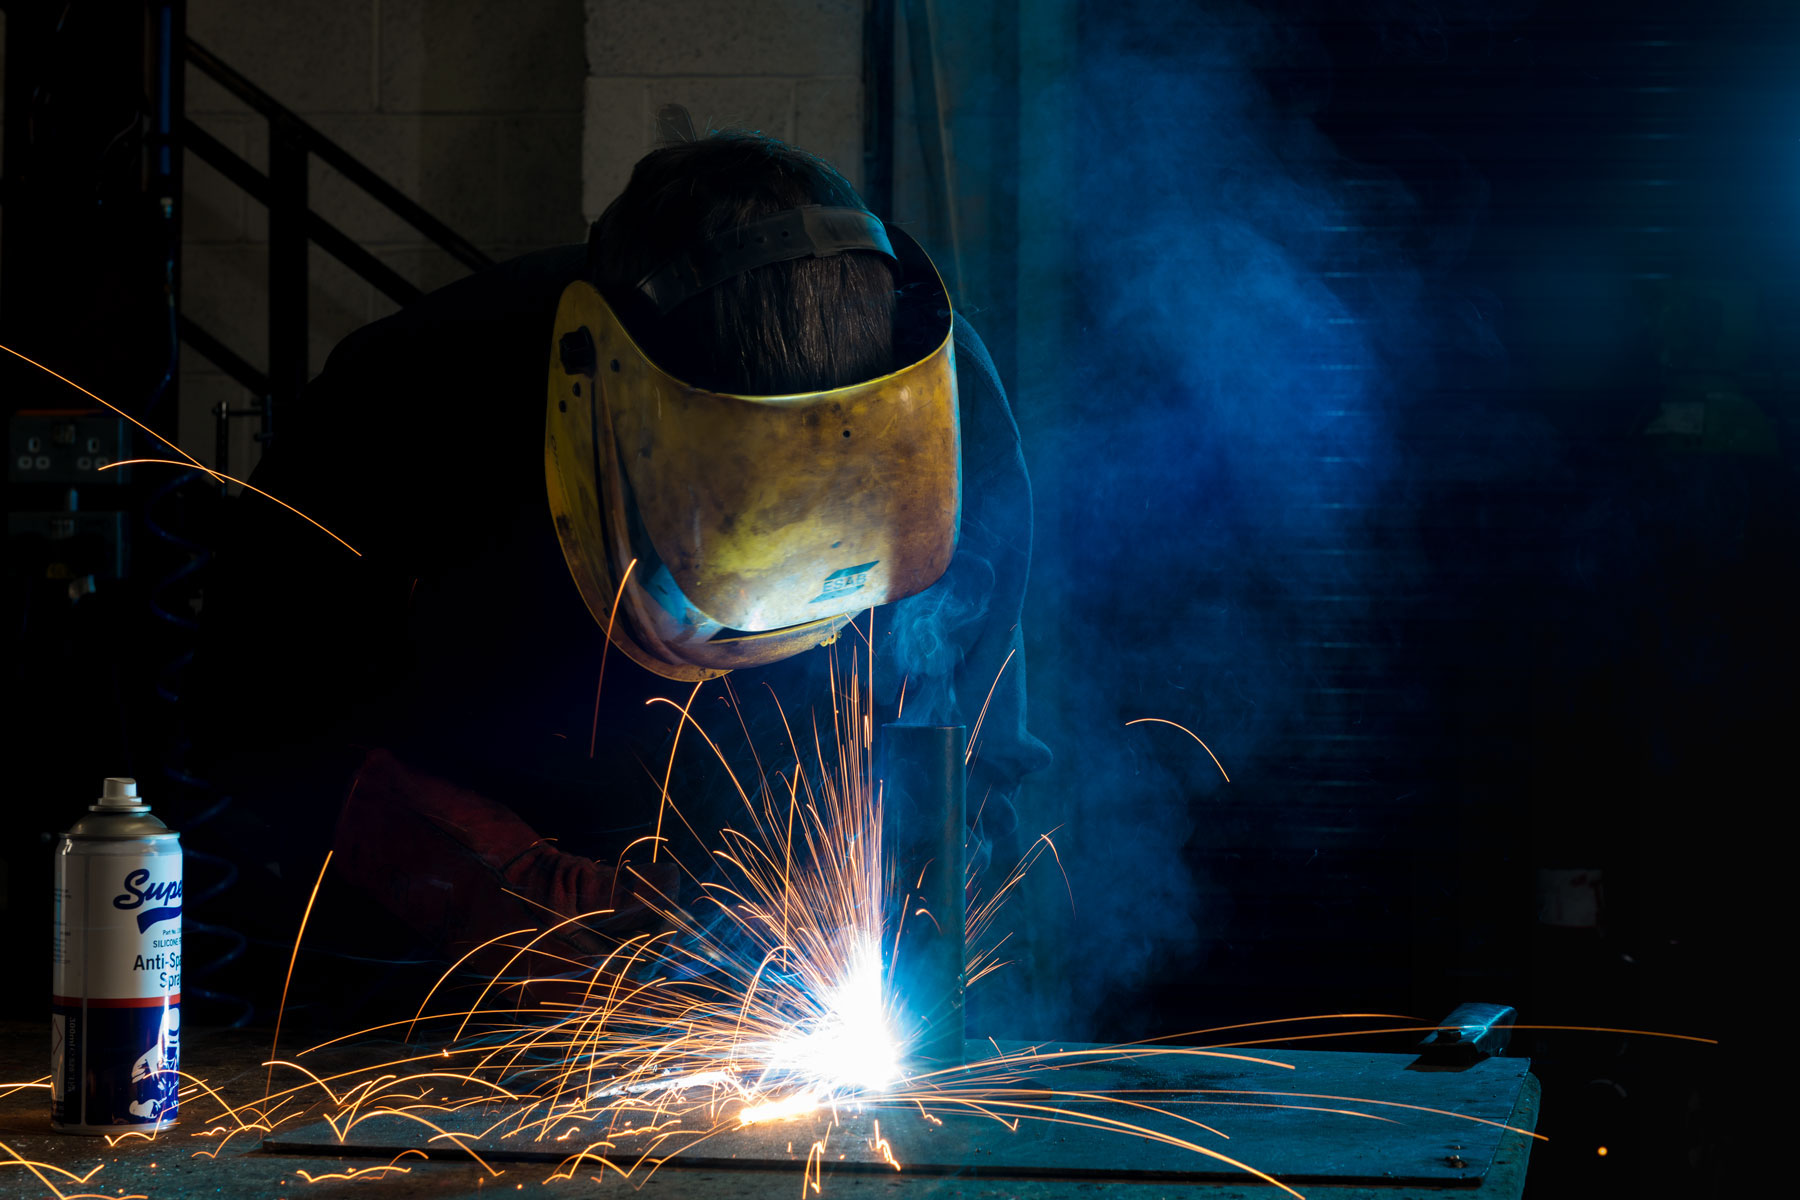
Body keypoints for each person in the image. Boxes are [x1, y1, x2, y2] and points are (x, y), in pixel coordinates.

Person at [189, 129, 1049, 994]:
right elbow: (251, 719)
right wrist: (464, 865)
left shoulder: (951, 421)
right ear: (611, 409)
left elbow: (973, 751)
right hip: (437, 958)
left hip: (754, 919)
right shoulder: (405, 402)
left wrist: (906, 882)